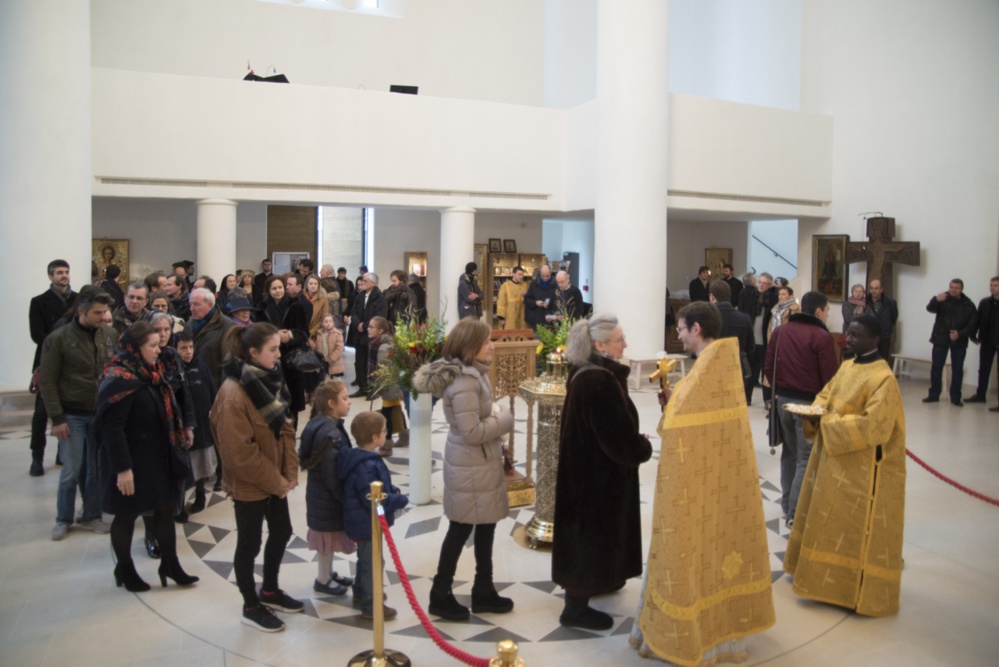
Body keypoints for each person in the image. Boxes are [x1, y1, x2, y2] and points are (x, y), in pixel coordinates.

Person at [633, 302, 774, 664]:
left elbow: (680, 427)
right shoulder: (719, 366)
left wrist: (672, 409)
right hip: (716, 482)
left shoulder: (707, 370)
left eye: (681, 329)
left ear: (696, 329)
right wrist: (673, 401)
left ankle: (694, 635)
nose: (677, 335)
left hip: (699, 487)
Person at [784, 315, 906, 616]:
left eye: (855, 335)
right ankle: (820, 581)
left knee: (849, 528)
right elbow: (826, 395)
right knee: (826, 520)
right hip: (832, 461)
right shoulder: (848, 365)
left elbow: (874, 427)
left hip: (860, 470)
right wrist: (815, 410)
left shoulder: (883, 379)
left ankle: (848, 589)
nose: (848, 340)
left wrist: (827, 421)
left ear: (875, 340)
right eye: (848, 334)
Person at [551, 314, 652, 630]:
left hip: (589, 471)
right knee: (589, 534)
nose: (626, 344)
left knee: (594, 534)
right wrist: (641, 447)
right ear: (600, 344)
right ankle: (575, 608)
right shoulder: (598, 381)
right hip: (594, 479)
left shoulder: (591, 373)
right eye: (619, 339)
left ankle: (600, 579)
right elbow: (617, 439)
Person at [413, 317, 515, 622]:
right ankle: (439, 595)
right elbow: (470, 432)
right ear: (471, 348)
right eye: (486, 342)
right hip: (470, 463)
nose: (492, 346)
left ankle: (484, 590)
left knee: (485, 525)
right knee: (461, 527)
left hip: (478, 462)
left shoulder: (474, 374)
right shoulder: (465, 381)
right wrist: (505, 421)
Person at [211, 323, 302, 633]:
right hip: (251, 483)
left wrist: (290, 471)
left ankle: (270, 590)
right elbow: (240, 455)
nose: (279, 354)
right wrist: (277, 482)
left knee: (282, 530)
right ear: (252, 353)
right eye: (273, 349)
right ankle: (251, 604)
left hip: (274, 476)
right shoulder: (234, 393)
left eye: (279, 347)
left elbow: (286, 426)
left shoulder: (270, 378)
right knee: (249, 544)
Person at [97, 322, 200, 592]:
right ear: (134, 348)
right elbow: (112, 429)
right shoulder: (119, 379)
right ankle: (125, 569)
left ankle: (170, 564)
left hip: (156, 457)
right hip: (130, 461)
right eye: (152, 346)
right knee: (127, 514)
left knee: (164, 508)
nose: (158, 350)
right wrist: (123, 469)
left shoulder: (151, 374)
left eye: (159, 344)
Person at [39, 288, 117, 540]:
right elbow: (48, 382)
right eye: (97, 312)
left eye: (105, 312)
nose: (102, 316)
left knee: (95, 469)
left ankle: (93, 515)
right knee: (72, 469)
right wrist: (57, 418)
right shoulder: (59, 338)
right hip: (72, 414)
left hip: (99, 412)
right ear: (82, 310)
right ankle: (63, 519)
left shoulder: (109, 335)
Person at [764, 291, 838, 527]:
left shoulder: (780, 331)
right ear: (818, 311)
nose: (827, 316)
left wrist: (780, 393)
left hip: (782, 402)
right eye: (827, 311)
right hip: (808, 406)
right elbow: (830, 378)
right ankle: (796, 512)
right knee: (805, 458)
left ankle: (787, 505)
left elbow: (768, 368)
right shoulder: (821, 336)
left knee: (789, 453)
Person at [339, 411, 409, 621]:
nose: (386, 434)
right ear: (373, 438)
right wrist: (399, 499)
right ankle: (371, 604)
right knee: (373, 563)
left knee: (365, 560)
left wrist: (391, 489)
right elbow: (373, 498)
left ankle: (361, 592)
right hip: (366, 523)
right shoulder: (366, 465)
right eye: (384, 431)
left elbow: (379, 487)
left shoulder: (364, 459)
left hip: (362, 522)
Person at [298, 379, 357, 599]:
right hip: (327, 497)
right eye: (345, 398)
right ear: (331, 403)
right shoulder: (330, 434)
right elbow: (332, 474)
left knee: (329, 540)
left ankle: (329, 573)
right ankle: (323, 579)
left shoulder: (322, 423)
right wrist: (344, 497)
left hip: (321, 494)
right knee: (326, 542)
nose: (349, 402)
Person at [28, 259, 77, 476]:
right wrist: (61, 344)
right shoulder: (39, 302)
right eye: (59, 273)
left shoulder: (77, 300)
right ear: (50, 276)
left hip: (74, 361)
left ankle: (61, 452)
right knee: (41, 413)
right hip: (47, 360)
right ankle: (37, 457)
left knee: (69, 410)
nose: (64, 276)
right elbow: (37, 334)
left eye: (66, 272)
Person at [174, 330, 217, 522]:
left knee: (202, 462)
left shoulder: (201, 366)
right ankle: (179, 504)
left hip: (203, 423)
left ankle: (200, 493)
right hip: (183, 427)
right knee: (185, 466)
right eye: (183, 348)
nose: (188, 352)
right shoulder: (174, 369)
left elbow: (211, 389)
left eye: (190, 347)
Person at [256, 275, 310, 424]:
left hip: (292, 361)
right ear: (268, 290)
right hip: (271, 361)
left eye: (280, 287)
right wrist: (276, 335)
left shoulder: (296, 306)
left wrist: (291, 335)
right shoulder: (261, 308)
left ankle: (291, 438)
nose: (278, 291)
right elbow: (258, 333)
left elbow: (304, 332)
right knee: (274, 403)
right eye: (274, 288)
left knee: (292, 406)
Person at [924, 278, 977, 406]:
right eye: (951, 287)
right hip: (941, 338)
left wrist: (960, 334)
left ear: (962, 289)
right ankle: (934, 394)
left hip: (959, 340)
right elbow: (930, 308)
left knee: (957, 369)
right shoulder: (942, 299)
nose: (953, 290)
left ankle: (955, 397)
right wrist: (935, 299)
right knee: (936, 367)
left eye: (956, 288)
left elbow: (972, 323)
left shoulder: (968, 304)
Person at [709, 281, 755, 404]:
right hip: (737, 367)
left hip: (712, 367)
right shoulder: (745, 319)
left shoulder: (706, 319)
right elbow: (751, 347)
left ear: (712, 297)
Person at [367, 316, 406, 456]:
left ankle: (386, 445)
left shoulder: (383, 347)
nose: (368, 329)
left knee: (387, 414)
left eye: (371, 327)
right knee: (396, 409)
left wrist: (375, 388)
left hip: (390, 385)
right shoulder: (387, 342)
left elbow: (382, 372)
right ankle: (404, 436)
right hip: (395, 385)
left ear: (380, 330)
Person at [348, 272, 387, 398]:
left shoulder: (380, 298)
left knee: (372, 364)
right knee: (359, 363)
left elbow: (380, 316)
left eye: (365, 281)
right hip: (359, 335)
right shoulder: (359, 296)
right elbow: (353, 312)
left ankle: (373, 389)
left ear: (373, 283)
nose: (362, 283)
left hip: (371, 335)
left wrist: (364, 326)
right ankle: (362, 387)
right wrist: (357, 323)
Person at [189, 287, 234, 389]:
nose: (191, 308)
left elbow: (229, 362)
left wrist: (224, 392)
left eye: (196, 304)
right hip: (193, 385)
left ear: (209, 305)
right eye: (190, 304)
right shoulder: (189, 324)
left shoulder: (226, 325)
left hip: (214, 386)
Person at [967, 276, 999, 404]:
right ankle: (980, 395)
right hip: (987, 340)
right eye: (991, 285)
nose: (992, 287)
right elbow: (978, 320)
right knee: (983, 369)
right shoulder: (985, 302)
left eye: (996, 285)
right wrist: (973, 335)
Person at [865, 279, 899, 367]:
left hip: (884, 336)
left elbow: (894, 318)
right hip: (869, 336)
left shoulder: (890, 302)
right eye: (871, 288)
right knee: (869, 362)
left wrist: (886, 327)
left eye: (876, 288)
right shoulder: (865, 302)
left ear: (881, 289)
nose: (873, 291)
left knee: (882, 362)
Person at [523, 264, 557, 331]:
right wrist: (536, 302)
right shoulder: (534, 284)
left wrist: (550, 305)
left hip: (549, 321)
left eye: (547, 276)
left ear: (550, 273)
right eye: (543, 276)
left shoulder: (555, 285)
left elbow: (559, 302)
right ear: (540, 274)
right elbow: (526, 300)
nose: (545, 278)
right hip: (535, 320)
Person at [312, 314, 346, 378]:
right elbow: (317, 347)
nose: (328, 323)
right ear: (322, 323)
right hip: (323, 361)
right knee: (324, 380)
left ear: (333, 323)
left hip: (334, 362)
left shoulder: (338, 334)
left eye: (330, 321)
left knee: (335, 382)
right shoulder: (319, 334)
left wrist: (331, 358)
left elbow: (340, 348)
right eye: (326, 322)